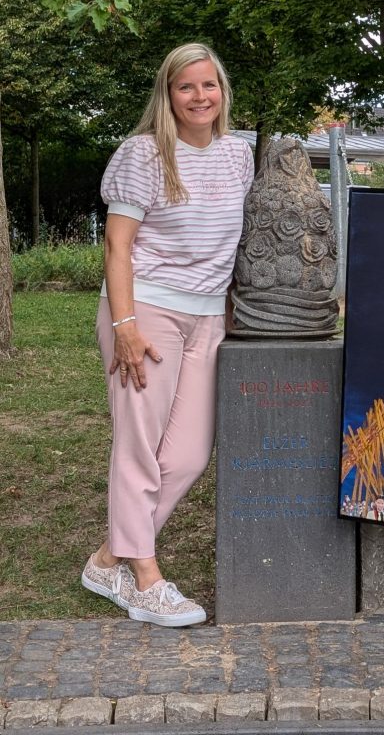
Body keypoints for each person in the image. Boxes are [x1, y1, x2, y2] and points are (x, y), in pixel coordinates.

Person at [81, 43, 254, 627]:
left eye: (210, 86)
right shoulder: (143, 154)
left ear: (222, 92)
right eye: (187, 88)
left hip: (209, 317)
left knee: (186, 455)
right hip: (146, 311)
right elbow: (118, 246)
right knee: (138, 448)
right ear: (168, 94)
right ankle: (145, 580)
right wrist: (124, 326)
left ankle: (109, 558)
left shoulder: (238, 154)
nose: (200, 97)